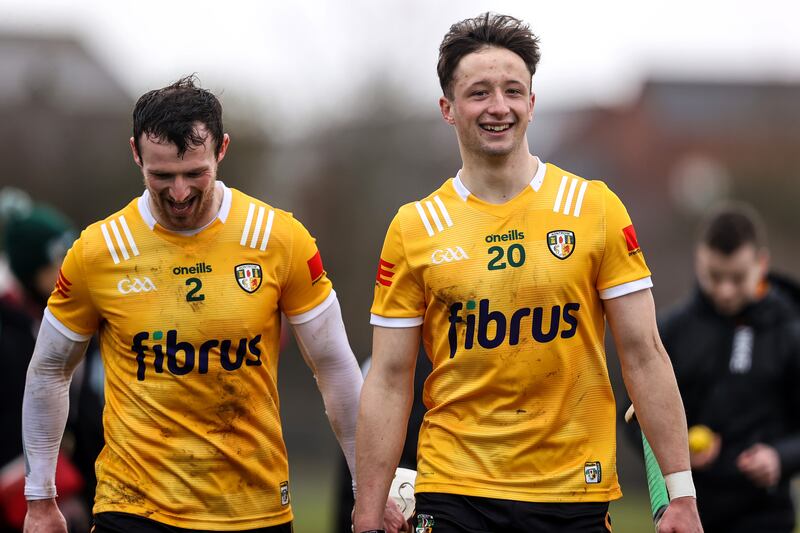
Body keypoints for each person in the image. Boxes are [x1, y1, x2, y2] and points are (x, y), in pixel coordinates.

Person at [353, 13, 703, 533]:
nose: (498, 107)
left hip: (572, 490)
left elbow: (644, 354)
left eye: (513, 90)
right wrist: (368, 504)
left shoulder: (594, 208)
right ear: (447, 109)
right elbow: (387, 378)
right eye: (479, 93)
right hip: (454, 491)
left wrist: (680, 493)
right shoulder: (415, 226)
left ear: (532, 103)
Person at [21, 76, 404, 533]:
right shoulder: (99, 250)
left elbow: (335, 367)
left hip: (253, 508)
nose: (179, 193)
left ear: (221, 149)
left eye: (194, 173)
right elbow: (48, 369)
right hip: (134, 508)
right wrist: (40, 498)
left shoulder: (279, 239)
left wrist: (369, 490)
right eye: (161, 176)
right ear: (135, 154)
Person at [658, 203, 800, 533]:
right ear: (698, 260)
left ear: (761, 264)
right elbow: (633, 416)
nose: (724, 290)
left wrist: (781, 458)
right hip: (691, 514)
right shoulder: (671, 331)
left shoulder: (790, 329)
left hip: (767, 515)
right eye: (714, 276)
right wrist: (676, 453)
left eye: (737, 278)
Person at [0, 191, 94, 532]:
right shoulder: (9, 334)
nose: (64, 271)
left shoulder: (77, 320)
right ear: (30, 267)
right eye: (56, 261)